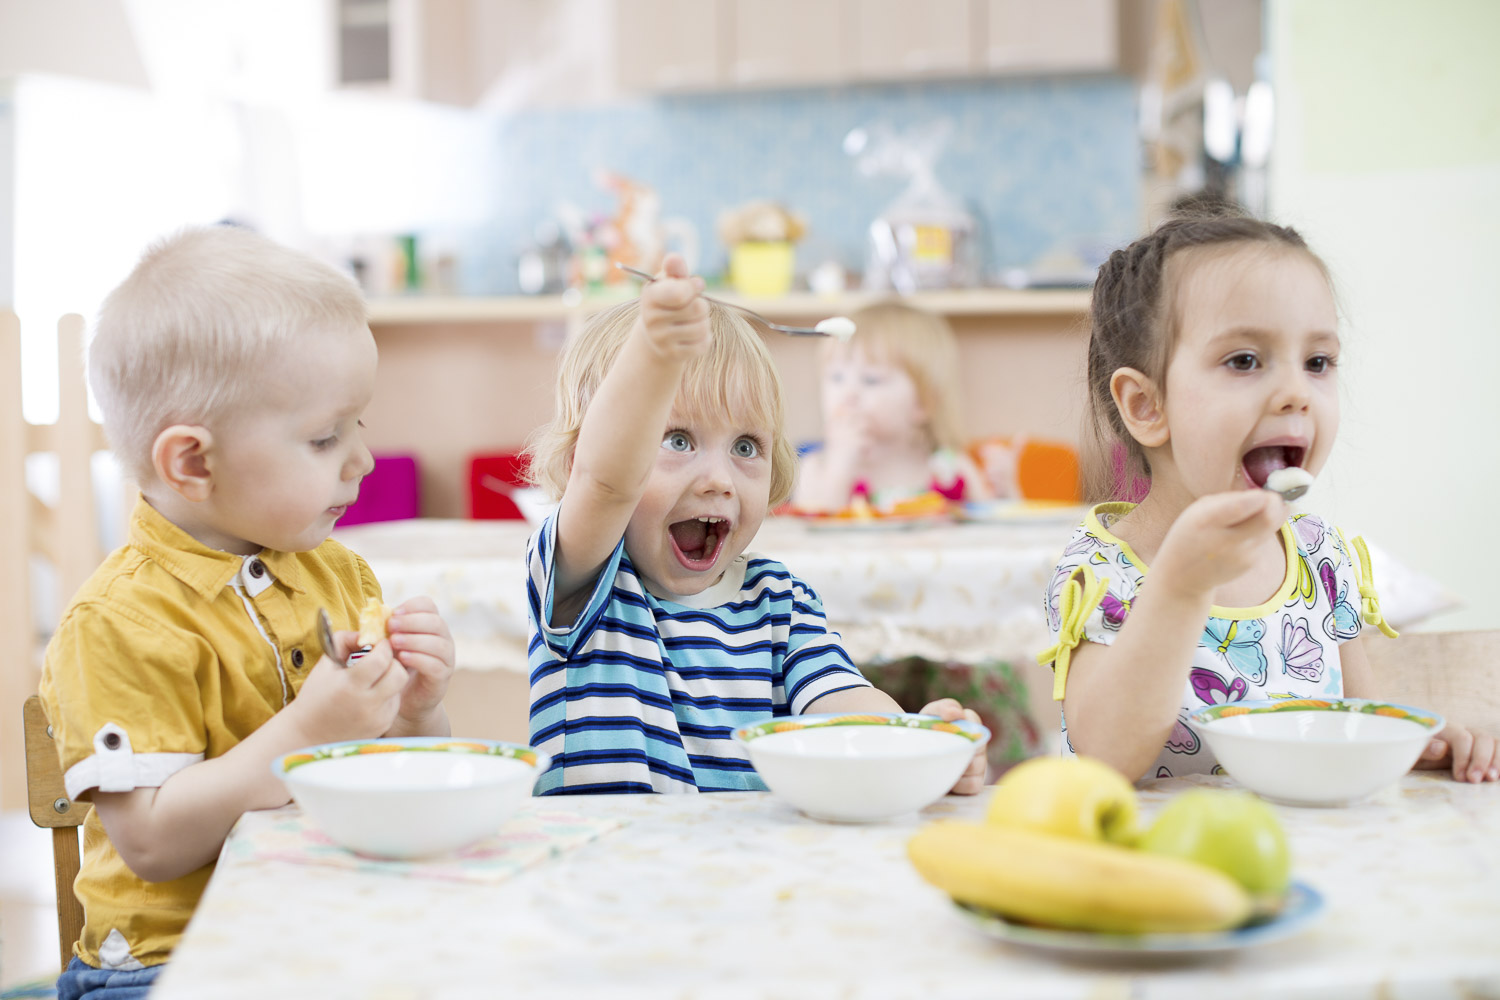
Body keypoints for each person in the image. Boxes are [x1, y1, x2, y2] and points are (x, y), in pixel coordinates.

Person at [38, 226, 457, 999]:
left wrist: (417, 715)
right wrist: (307, 732)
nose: (362, 460)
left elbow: (383, 769)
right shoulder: (119, 624)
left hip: (324, 925)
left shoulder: (337, 573)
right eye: (326, 437)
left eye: (356, 426)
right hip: (174, 963)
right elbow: (155, 845)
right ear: (193, 463)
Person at [1039, 211, 1499, 783]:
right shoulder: (1105, 574)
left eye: (1317, 363)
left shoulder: (1319, 557)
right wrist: (1182, 583)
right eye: (1245, 361)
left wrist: (1416, 746)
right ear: (1145, 406)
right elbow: (1105, 760)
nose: (1295, 393)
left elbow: (1357, 724)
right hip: (1148, 862)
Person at [522, 255, 987, 794]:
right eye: (677, 440)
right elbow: (605, 482)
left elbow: (841, 702)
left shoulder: (779, 600)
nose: (719, 479)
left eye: (746, 446)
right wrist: (654, 355)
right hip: (596, 873)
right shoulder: (582, 578)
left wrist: (916, 742)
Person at [792, 300, 994, 512]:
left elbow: (993, 531)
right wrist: (840, 465)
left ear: (923, 403)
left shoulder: (951, 469)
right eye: (836, 377)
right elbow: (815, 531)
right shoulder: (816, 468)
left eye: (871, 380)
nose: (848, 393)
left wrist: (1010, 491)